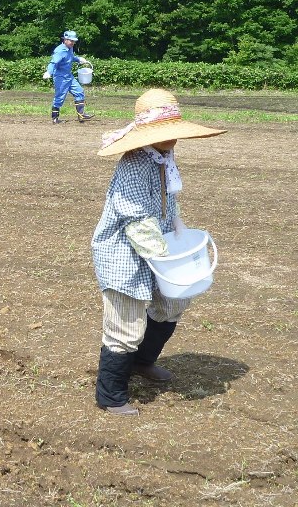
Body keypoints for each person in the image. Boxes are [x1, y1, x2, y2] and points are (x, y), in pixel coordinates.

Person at [90, 88, 226, 415]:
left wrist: (178, 225)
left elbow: (169, 199)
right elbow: (136, 220)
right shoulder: (134, 164)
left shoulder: (164, 156)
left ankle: (142, 362)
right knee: (125, 325)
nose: (173, 140)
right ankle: (110, 396)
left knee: (172, 303)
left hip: (158, 245)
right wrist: (166, 257)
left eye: (174, 134)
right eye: (166, 135)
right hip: (123, 253)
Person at [44, 30, 92, 124]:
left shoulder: (70, 48)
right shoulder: (59, 51)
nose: (73, 43)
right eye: (71, 41)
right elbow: (53, 63)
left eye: (74, 41)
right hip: (60, 77)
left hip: (69, 76)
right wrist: (49, 72)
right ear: (65, 40)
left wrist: (78, 59)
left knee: (79, 91)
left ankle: (81, 115)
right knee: (60, 97)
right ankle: (55, 118)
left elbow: (70, 58)